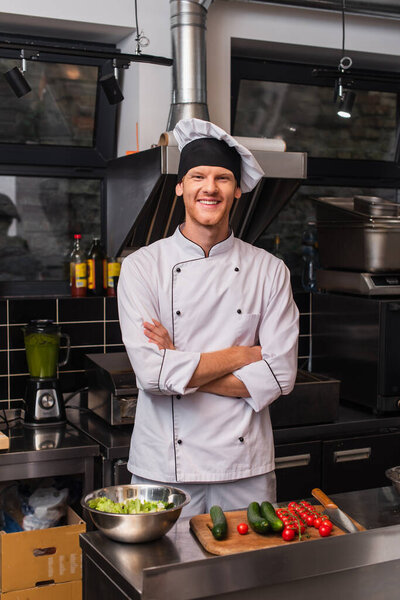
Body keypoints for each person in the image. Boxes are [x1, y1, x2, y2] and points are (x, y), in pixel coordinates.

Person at [117, 118, 299, 517]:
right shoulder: (142, 268)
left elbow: (280, 377)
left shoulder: (270, 271)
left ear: (236, 190)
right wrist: (243, 356)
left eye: (222, 178)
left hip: (244, 469)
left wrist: (178, 362)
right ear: (180, 185)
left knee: (246, 574)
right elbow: (151, 375)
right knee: (166, 577)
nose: (210, 188)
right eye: (198, 176)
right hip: (164, 465)